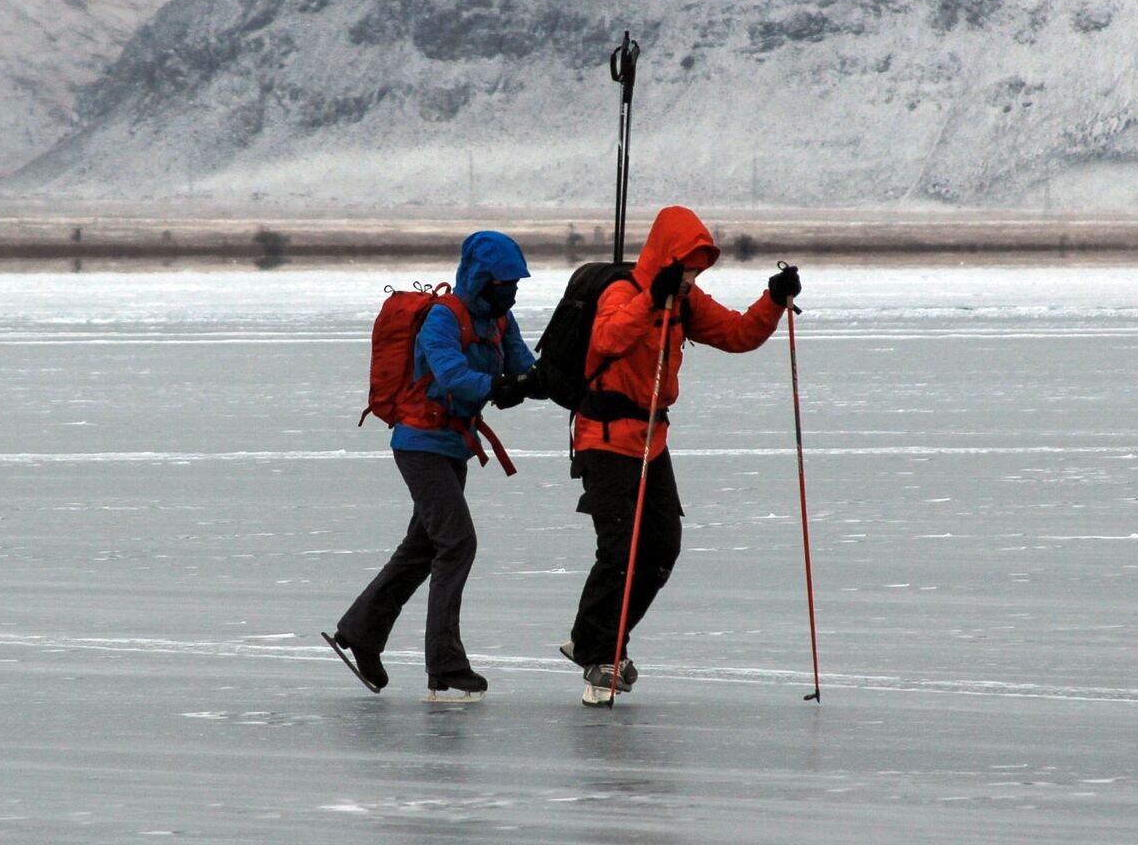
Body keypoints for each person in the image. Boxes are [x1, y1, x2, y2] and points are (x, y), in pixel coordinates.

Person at [561, 205, 801, 701]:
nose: (693, 277)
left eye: (698, 268)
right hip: (603, 437)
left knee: (661, 548)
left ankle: (597, 641)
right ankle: (599, 654)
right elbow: (607, 340)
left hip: (651, 441)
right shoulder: (622, 294)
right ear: (668, 257)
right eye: (688, 267)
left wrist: (773, 301)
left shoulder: (685, 301)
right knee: (620, 550)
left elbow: (736, 335)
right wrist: (653, 295)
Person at [326, 230, 541, 699]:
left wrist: (546, 381)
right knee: (457, 542)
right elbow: (452, 375)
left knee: (422, 547)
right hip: (420, 443)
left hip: (453, 446)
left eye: (517, 282)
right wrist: (497, 387)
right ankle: (445, 663)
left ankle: (361, 630)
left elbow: (524, 367)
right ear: (483, 279)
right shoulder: (444, 319)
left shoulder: (502, 321)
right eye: (505, 282)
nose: (513, 290)